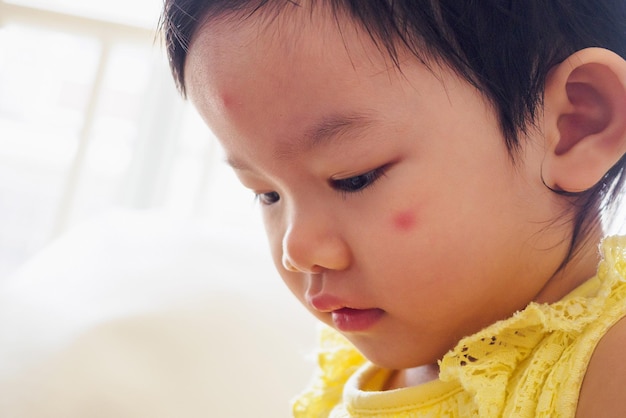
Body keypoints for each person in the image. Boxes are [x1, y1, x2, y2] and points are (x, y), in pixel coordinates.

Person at [159, 1, 626, 416]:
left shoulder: (608, 365)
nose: (296, 250)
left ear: (577, 126)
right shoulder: (356, 373)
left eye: (353, 178)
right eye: (266, 193)